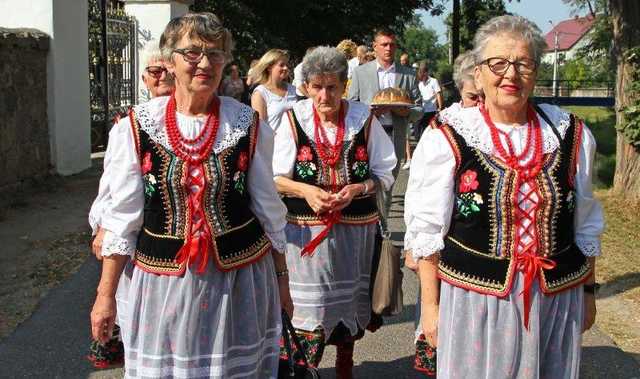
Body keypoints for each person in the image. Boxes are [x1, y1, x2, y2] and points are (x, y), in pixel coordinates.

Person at [89, 12, 292, 378]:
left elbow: (269, 211)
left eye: (216, 55)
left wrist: (283, 282)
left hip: (238, 280)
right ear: (169, 61)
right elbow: (122, 219)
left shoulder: (246, 124)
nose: (205, 63)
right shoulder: (136, 127)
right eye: (192, 53)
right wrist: (105, 297)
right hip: (161, 284)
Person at [405, 15, 604, 378]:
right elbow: (427, 232)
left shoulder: (570, 133)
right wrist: (430, 308)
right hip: (476, 301)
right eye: (497, 63)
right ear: (478, 74)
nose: (510, 74)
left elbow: (586, 224)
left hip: (556, 300)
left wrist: (589, 294)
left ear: (535, 72)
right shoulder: (448, 135)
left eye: (523, 63)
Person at [273, 46, 396, 379]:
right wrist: (307, 190)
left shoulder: (363, 118)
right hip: (305, 233)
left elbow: (386, 173)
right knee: (308, 309)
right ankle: (303, 370)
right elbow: (275, 177)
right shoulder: (292, 119)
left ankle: (345, 364)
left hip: (355, 232)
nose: (324, 95)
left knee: (348, 306)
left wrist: (357, 189)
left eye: (332, 86)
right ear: (306, 87)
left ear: (344, 85)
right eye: (317, 86)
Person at [87, 44, 176, 370]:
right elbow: (109, 189)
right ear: (144, 79)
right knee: (143, 329)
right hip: (137, 247)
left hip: (173, 244)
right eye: (155, 71)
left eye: (168, 69)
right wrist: (102, 226)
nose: (162, 76)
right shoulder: (127, 125)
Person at [348, 28, 421, 241]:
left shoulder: (408, 75)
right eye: (384, 44)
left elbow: (419, 110)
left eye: (392, 45)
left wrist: (404, 111)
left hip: (394, 135)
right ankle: (366, 225)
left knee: (388, 182)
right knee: (364, 180)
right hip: (368, 134)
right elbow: (350, 104)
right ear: (375, 46)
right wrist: (368, 111)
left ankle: (383, 226)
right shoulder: (361, 73)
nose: (389, 48)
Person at [250, 49, 297, 131]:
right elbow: (261, 129)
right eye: (281, 65)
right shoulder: (260, 93)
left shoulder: (293, 89)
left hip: (296, 143)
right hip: (273, 143)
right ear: (269, 67)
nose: (286, 68)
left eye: (286, 65)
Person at [413, 61, 444, 143]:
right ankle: (420, 142)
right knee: (417, 130)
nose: (422, 78)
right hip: (421, 110)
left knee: (430, 130)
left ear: (426, 73)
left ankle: (428, 144)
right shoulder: (419, 83)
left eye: (423, 75)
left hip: (431, 110)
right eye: (420, 76)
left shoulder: (433, 81)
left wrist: (440, 107)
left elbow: (438, 94)